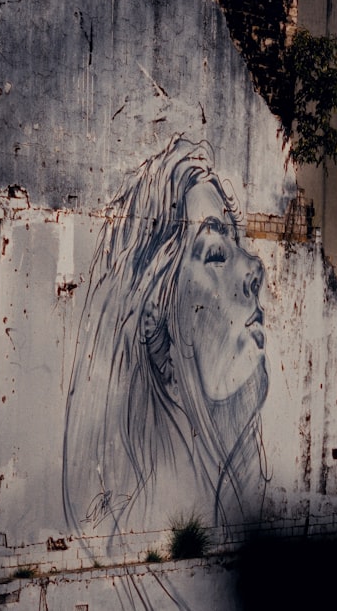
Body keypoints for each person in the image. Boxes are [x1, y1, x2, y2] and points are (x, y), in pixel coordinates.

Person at [63, 135, 270, 561]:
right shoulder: (134, 543)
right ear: (156, 319)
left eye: (237, 244)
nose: (255, 268)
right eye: (215, 254)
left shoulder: (224, 512)